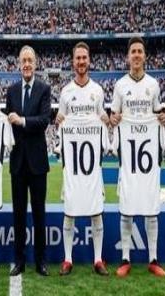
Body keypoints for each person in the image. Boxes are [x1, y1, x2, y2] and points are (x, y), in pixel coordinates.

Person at [109, 37, 165, 278]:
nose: (136, 55)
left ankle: (153, 259)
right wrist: (113, 119)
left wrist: (162, 117)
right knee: (127, 206)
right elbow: (113, 115)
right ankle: (125, 259)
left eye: (139, 51)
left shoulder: (153, 85)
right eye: (133, 51)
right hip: (128, 157)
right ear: (128, 57)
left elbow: (159, 113)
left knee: (151, 206)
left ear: (145, 56)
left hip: (149, 157)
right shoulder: (120, 85)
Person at [55, 42, 109, 276]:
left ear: (89, 60)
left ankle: (98, 259)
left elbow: (102, 116)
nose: (81, 62)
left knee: (96, 210)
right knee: (70, 210)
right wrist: (59, 120)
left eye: (84, 58)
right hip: (73, 164)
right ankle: (68, 259)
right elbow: (60, 119)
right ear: (73, 61)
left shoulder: (97, 90)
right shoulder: (66, 92)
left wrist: (105, 119)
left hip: (92, 164)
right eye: (77, 58)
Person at [6, 45, 51, 276]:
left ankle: (41, 261)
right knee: (19, 214)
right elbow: (7, 123)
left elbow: (44, 120)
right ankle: (19, 260)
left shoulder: (44, 89)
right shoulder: (11, 91)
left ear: (35, 63)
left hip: (37, 162)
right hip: (17, 162)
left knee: (39, 213)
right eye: (23, 61)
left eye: (30, 61)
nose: (26, 64)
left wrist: (22, 121)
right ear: (19, 64)